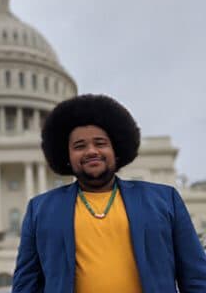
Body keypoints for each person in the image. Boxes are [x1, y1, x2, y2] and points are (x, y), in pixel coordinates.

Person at [12, 94, 206, 293]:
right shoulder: (40, 210)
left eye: (100, 143)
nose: (91, 151)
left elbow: (196, 278)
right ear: (67, 157)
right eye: (80, 146)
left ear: (116, 150)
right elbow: (26, 284)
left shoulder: (164, 200)